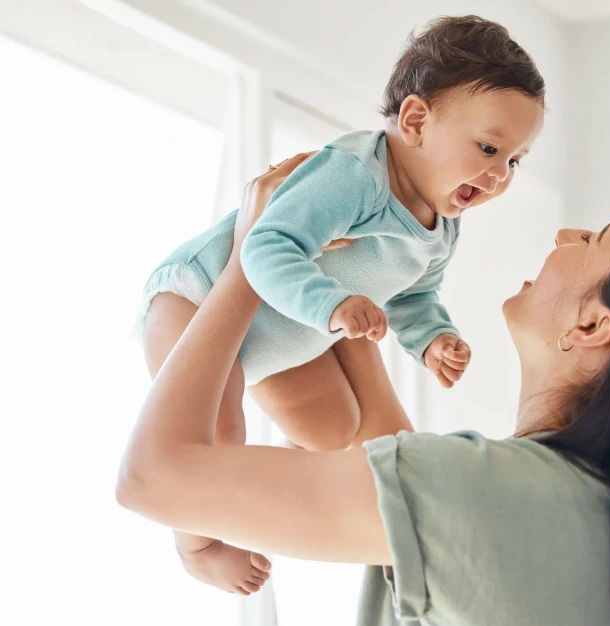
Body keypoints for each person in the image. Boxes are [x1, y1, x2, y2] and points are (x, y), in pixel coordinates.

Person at [117, 154, 610, 626]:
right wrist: (342, 278)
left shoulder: (486, 492)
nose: (566, 236)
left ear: (593, 326)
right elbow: (376, 440)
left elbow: (153, 477)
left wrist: (249, 254)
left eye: (594, 240)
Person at [133, 15, 545, 594]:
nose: (500, 174)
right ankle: (195, 547)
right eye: (489, 148)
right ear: (417, 121)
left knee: (334, 429)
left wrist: (431, 338)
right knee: (219, 437)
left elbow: (415, 294)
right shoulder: (354, 176)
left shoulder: (442, 227)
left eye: (515, 161)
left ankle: (271, 486)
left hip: (282, 331)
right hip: (197, 299)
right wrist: (333, 306)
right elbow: (267, 245)